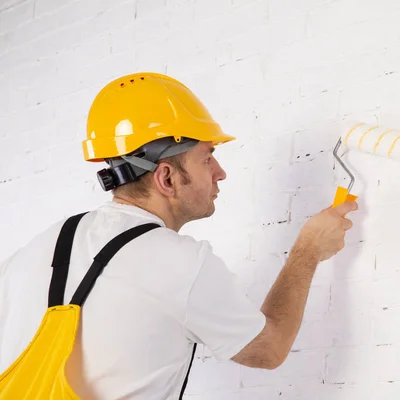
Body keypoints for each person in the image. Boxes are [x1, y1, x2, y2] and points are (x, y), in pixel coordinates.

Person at [0, 72, 358, 399]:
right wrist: (307, 251)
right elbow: (269, 349)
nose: (220, 173)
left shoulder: (35, 249)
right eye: (207, 158)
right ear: (167, 178)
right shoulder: (181, 262)